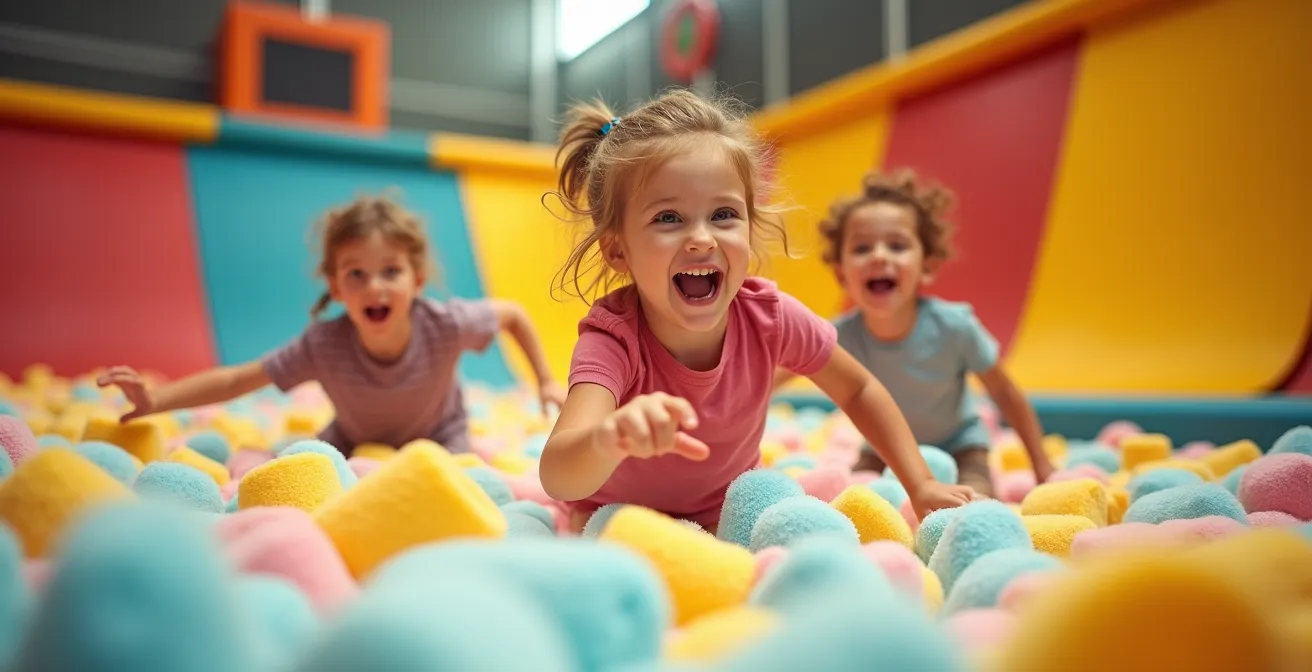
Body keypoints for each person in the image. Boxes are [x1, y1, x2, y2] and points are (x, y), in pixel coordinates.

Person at [537, 90, 975, 533]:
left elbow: (858, 389)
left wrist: (919, 483)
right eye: (669, 218)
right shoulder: (614, 339)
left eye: (724, 214)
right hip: (619, 519)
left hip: (724, 516)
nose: (702, 239)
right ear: (618, 251)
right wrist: (610, 440)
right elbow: (558, 472)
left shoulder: (768, 317)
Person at [97, 193, 565, 456]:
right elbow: (238, 378)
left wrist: (545, 381)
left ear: (417, 280)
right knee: (308, 466)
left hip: (440, 435)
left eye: (391, 272)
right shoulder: (325, 344)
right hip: (353, 439)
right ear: (336, 288)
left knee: (465, 476)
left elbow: (514, 316)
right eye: (355, 274)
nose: (373, 287)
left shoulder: (444, 324)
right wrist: (155, 399)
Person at [776, 170, 1053, 496]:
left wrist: (1041, 464)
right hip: (884, 449)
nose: (879, 255)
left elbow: (1004, 392)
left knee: (973, 496)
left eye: (897, 245)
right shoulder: (836, 336)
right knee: (858, 497)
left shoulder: (954, 326)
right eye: (862, 248)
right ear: (841, 273)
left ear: (928, 266)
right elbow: (773, 375)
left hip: (960, 447)